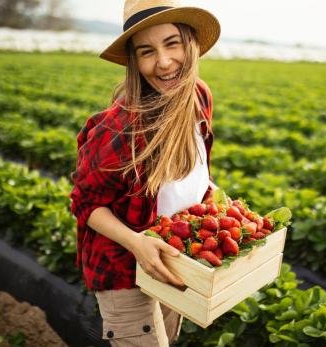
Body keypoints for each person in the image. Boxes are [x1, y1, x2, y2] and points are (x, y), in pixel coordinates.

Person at [69, 1, 221, 346]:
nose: (164, 62)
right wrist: (138, 243)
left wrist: (212, 202)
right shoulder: (119, 127)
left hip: (175, 256)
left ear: (191, 44)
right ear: (134, 62)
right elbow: (85, 203)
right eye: (147, 51)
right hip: (123, 267)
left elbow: (194, 170)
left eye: (172, 43)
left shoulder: (198, 96)